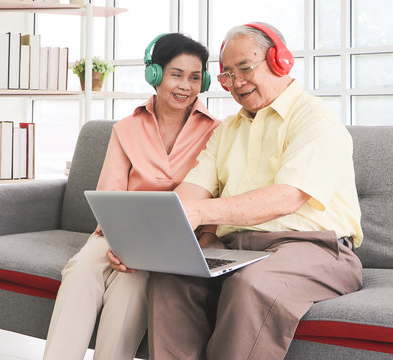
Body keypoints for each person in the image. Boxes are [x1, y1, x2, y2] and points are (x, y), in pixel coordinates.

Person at [148, 22, 363, 360]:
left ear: (281, 61)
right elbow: (193, 189)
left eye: (245, 68)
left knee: (250, 286)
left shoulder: (315, 118)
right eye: (227, 75)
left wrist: (202, 213)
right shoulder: (228, 129)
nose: (236, 82)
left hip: (315, 248)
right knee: (170, 278)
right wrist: (152, 235)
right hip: (237, 248)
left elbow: (288, 196)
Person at [43, 33, 220, 360]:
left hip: (177, 240)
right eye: (176, 74)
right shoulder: (126, 128)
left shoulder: (217, 131)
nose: (185, 86)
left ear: (204, 82)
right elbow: (110, 195)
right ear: (155, 75)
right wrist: (121, 243)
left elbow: (215, 198)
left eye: (195, 78)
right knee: (80, 268)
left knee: (131, 285)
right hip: (118, 232)